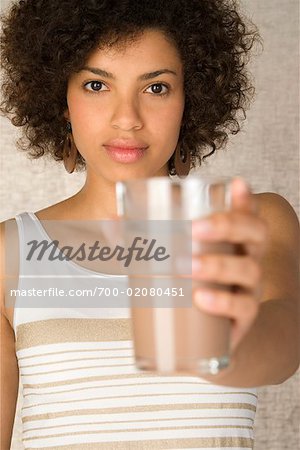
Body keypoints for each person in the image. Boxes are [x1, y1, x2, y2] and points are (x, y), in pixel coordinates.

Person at [0, 0, 299, 449]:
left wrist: (219, 341)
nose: (127, 118)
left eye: (156, 88)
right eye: (97, 84)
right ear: (61, 99)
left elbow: (286, 343)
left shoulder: (253, 220)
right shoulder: (9, 253)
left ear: (189, 99)